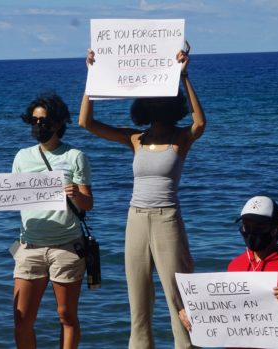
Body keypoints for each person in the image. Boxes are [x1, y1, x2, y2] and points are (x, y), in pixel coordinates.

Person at [78, 42, 205, 349]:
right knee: (138, 301)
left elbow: (200, 123)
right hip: (135, 219)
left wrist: (184, 76)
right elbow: (86, 123)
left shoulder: (180, 138)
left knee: (179, 298)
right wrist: (91, 75)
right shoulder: (135, 138)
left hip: (167, 219)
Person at [0, 93, 93, 349]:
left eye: (44, 121)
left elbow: (88, 204)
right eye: (34, 121)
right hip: (29, 246)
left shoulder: (74, 156)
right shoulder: (22, 156)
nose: (38, 126)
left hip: (66, 246)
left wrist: (76, 193)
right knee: (22, 318)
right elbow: (12, 195)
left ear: (58, 123)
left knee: (66, 315)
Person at [180, 195, 278, 348]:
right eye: (247, 225)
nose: (252, 231)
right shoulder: (235, 265)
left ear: (275, 229)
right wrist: (195, 316)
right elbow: (226, 316)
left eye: (259, 226)